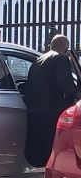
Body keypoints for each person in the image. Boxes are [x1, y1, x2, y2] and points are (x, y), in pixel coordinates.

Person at [23, 34, 81, 170]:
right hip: (52, 112)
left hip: (34, 111)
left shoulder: (37, 60)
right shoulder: (61, 58)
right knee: (53, 148)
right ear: (66, 48)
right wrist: (76, 93)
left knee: (39, 146)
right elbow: (65, 83)